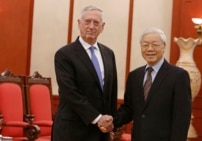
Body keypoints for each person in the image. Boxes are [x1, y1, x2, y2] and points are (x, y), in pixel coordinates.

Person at [113, 27, 192, 141]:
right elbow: (129, 109)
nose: (150, 49)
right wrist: (111, 121)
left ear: (164, 46)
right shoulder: (134, 76)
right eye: (145, 45)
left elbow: (182, 118)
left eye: (155, 44)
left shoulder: (178, 76)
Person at [52, 5, 117, 141]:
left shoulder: (108, 54)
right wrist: (97, 118)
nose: (91, 26)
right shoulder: (64, 54)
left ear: (102, 26)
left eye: (96, 23)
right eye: (87, 22)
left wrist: (111, 125)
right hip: (72, 130)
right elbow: (70, 92)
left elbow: (111, 92)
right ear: (79, 24)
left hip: (101, 132)